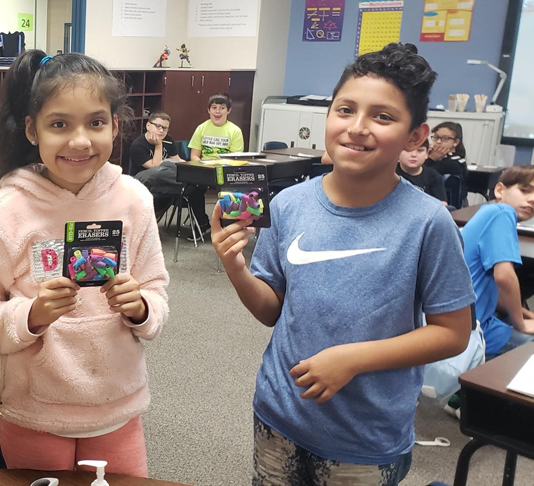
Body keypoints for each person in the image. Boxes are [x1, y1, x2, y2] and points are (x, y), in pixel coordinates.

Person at [211, 43, 474, 484]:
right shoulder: (290, 203)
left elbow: (452, 333)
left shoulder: (428, 222)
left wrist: (354, 358)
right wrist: (235, 265)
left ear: (415, 137)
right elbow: (270, 309)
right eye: (345, 110)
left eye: (383, 117)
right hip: (279, 411)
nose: (358, 128)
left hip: (365, 436)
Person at [0, 50, 170, 477]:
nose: (80, 141)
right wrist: (30, 315)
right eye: (60, 124)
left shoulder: (133, 200)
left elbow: (157, 295)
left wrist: (141, 306)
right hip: (33, 413)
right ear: (33, 130)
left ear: (114, 124)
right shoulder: (10, 209)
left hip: (117, 408)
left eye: (96, 122)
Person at [461, 165, 534, 359]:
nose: (532, 199)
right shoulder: (502, 213)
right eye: (525, 190)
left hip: (466, 319)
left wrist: (520, 312)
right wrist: (521, 322)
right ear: (500, 190)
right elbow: (503, 277)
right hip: (470, 330)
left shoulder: (489, 212)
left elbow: (493, 286)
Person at [188, 93, 244, 161]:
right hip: (204, 168)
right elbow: (194, 155)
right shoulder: (201, 128)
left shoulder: (235, 131)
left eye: (222, 108)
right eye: (214, 108)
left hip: (225, 168)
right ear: (209, 110)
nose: (217, 111)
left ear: (228, 110)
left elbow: (235, 159)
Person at [397, 138, 447, 205]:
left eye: (420, 150)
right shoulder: (388, 174)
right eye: (408, 150)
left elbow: (443, 204)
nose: (414, 155)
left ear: (427, 154)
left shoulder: (434, 176)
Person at [127, 111, 178, 177]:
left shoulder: (169, 139)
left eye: (165, 128)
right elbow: (155, 168)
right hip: (143, 178)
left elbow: (176, 159)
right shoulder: (137, 145)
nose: (161, 130)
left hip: (163, 175)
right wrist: (158, 145)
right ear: (148, 126)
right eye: (158, 126)